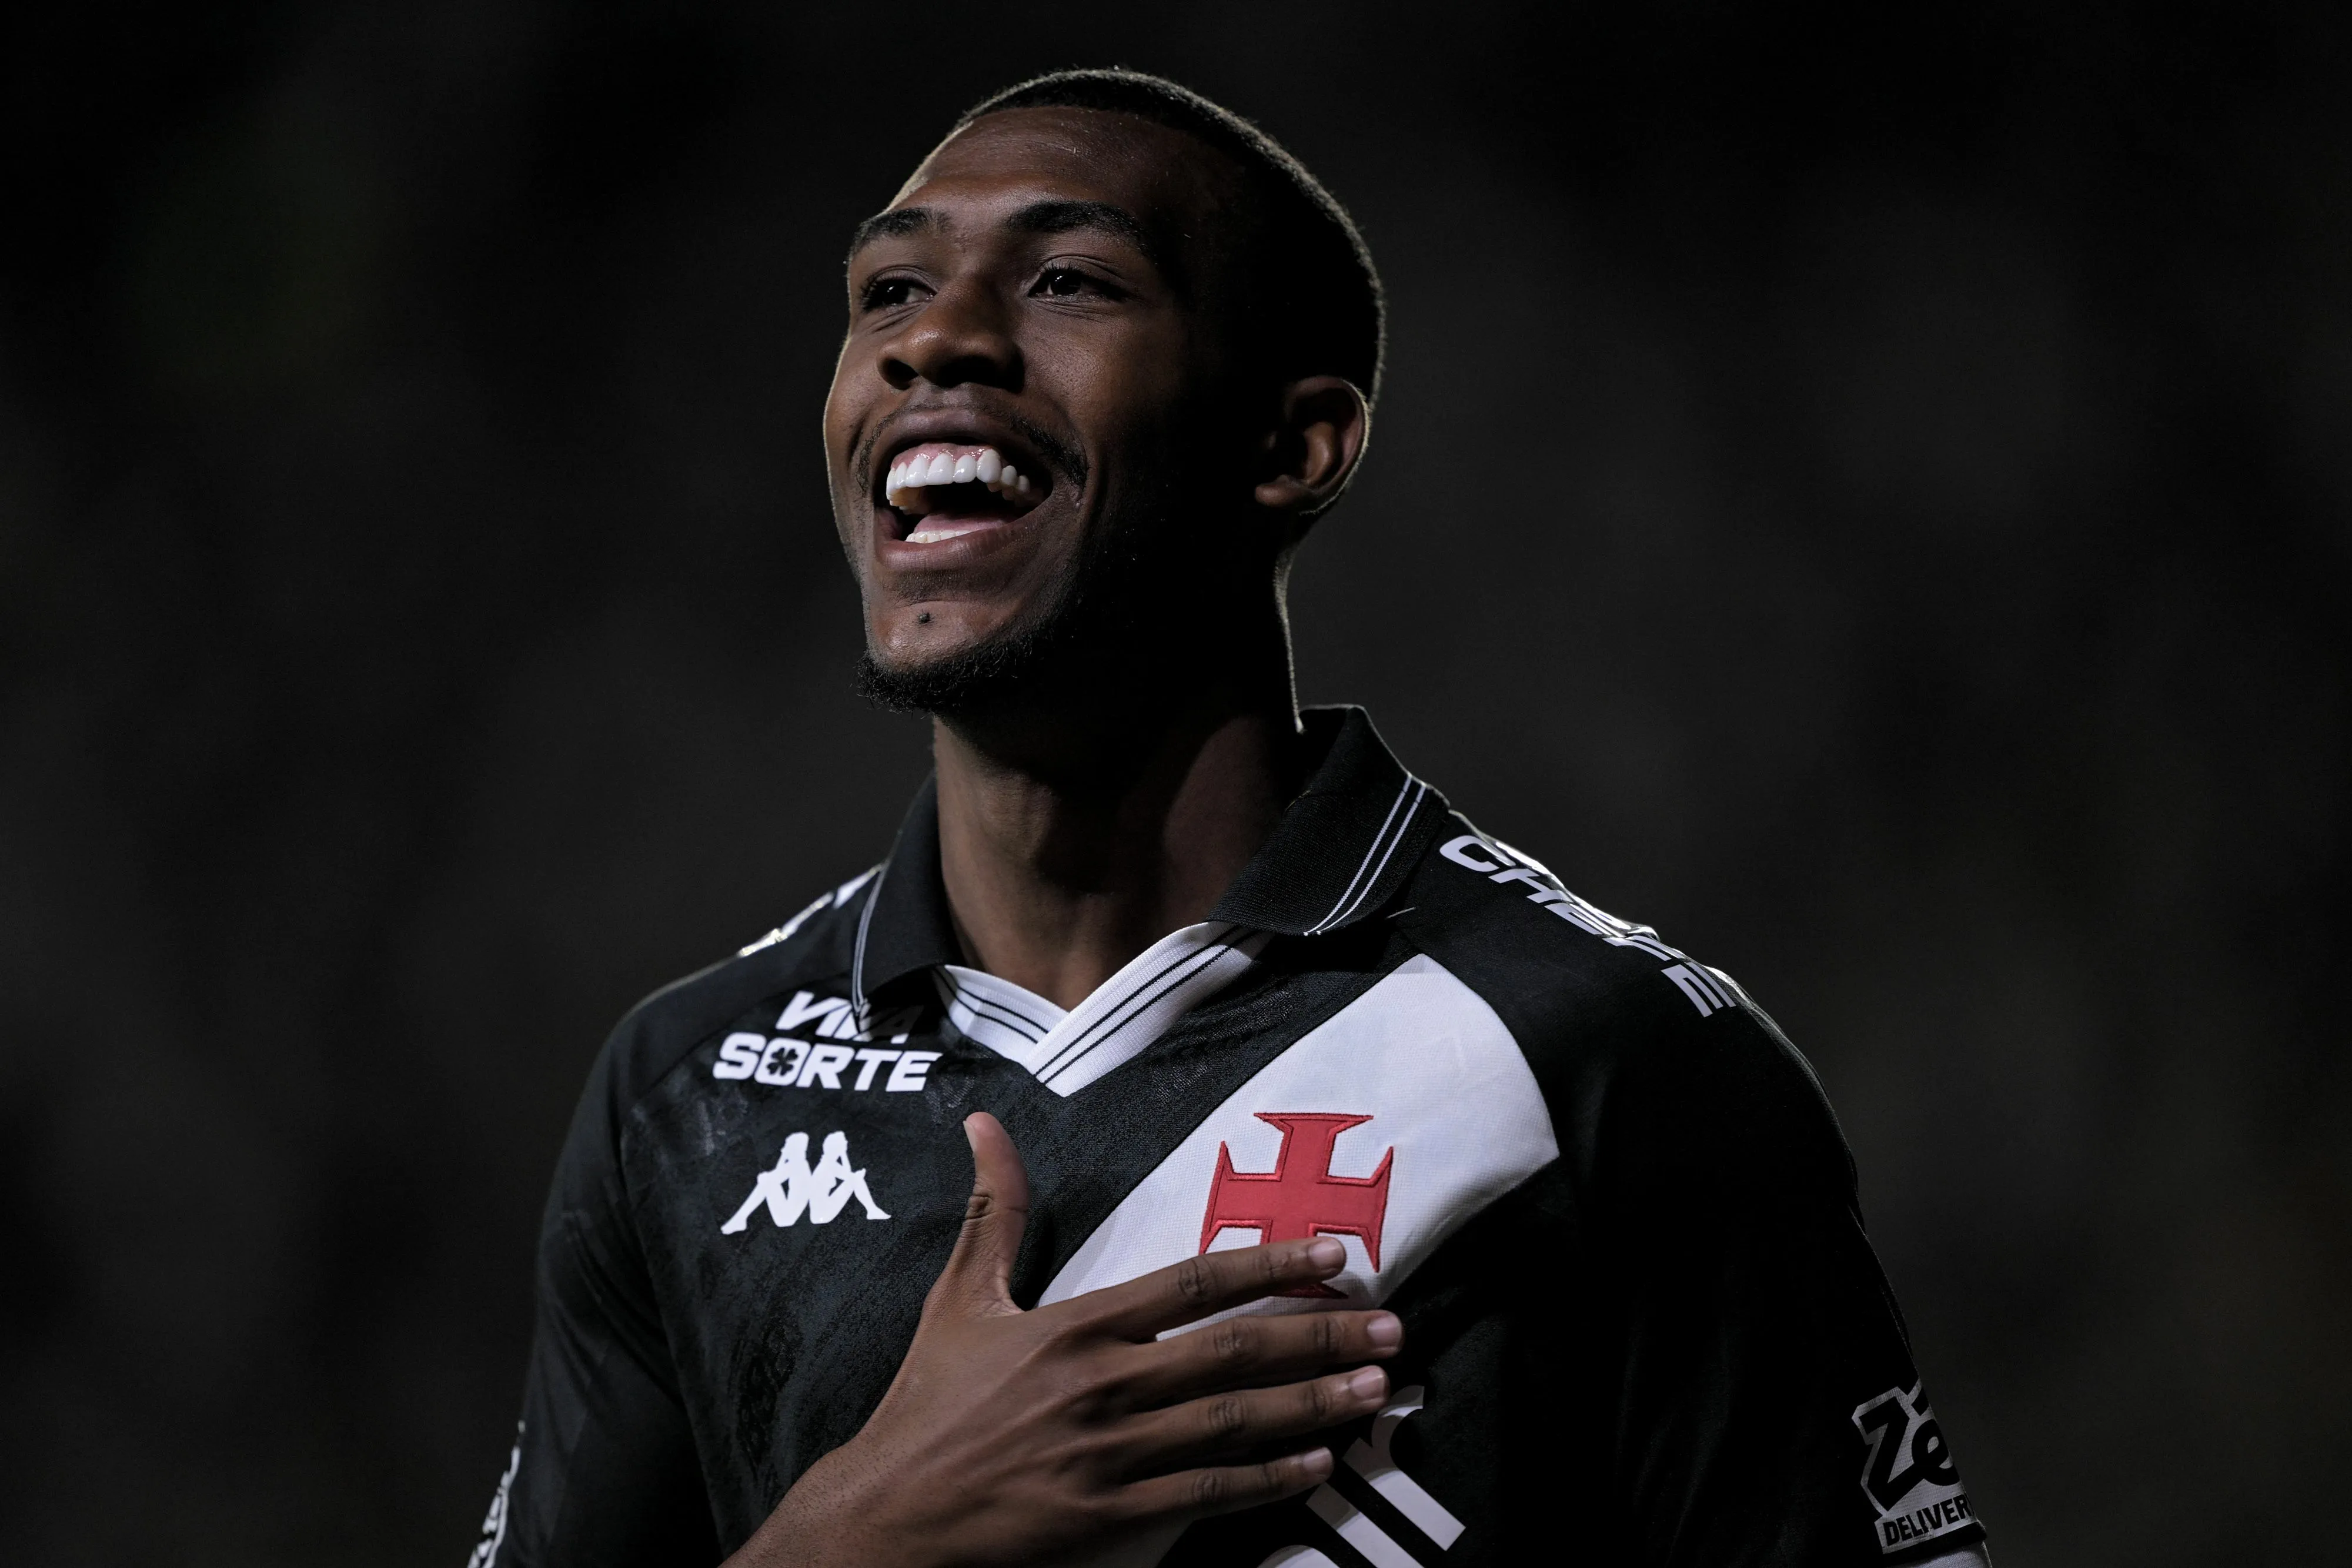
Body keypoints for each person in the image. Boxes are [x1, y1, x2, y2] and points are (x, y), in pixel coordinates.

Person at [470, 68, 1990, 1568]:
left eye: (1067, 278)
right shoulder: (687, 1088)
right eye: (887, 291)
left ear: (1293, 446)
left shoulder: (1603, 1059)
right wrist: (867, 1540)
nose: (937, 338)